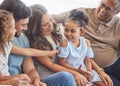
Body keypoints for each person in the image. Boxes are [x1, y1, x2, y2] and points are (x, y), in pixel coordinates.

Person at [52, 0, 120, 85]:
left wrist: (91, 72)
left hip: (114, 64)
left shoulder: (118, 25)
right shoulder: (81, 14)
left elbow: (88, 59)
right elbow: (53, 18)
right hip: (91, 67)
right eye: (102, 5)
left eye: (108, 9)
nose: (102, 10)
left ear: (116, 12)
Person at [25, 4, 91, 86]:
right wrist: (75, 73)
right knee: (66, 77)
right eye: (45, 25)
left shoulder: (59, 32)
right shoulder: (35, 43)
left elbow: (84, 54)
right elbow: (51, 65)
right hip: (48, 77)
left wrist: (96, 70)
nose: (50, 25)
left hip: (66, 71)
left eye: (50, 19)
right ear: (35, 27)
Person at [0, 9, 32, 86]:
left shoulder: (6, 45)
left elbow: (27, 51)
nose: (15, 31)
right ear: (5, 31)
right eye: (13, 28)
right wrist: (21, 76)